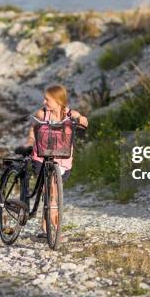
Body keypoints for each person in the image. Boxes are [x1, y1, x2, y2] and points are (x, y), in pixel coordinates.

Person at [26, 84, 88, 239]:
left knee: (52, 192)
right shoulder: (42, 114)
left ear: (58, 100)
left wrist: (79, 119)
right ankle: (53, 229)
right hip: (42, 157)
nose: (44, 101)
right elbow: (33, 129)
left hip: (63, 159)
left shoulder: (70, 113)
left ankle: (46, 225)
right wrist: (30, 140)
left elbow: (85, 122)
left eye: (48, 99)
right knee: (51, 192)